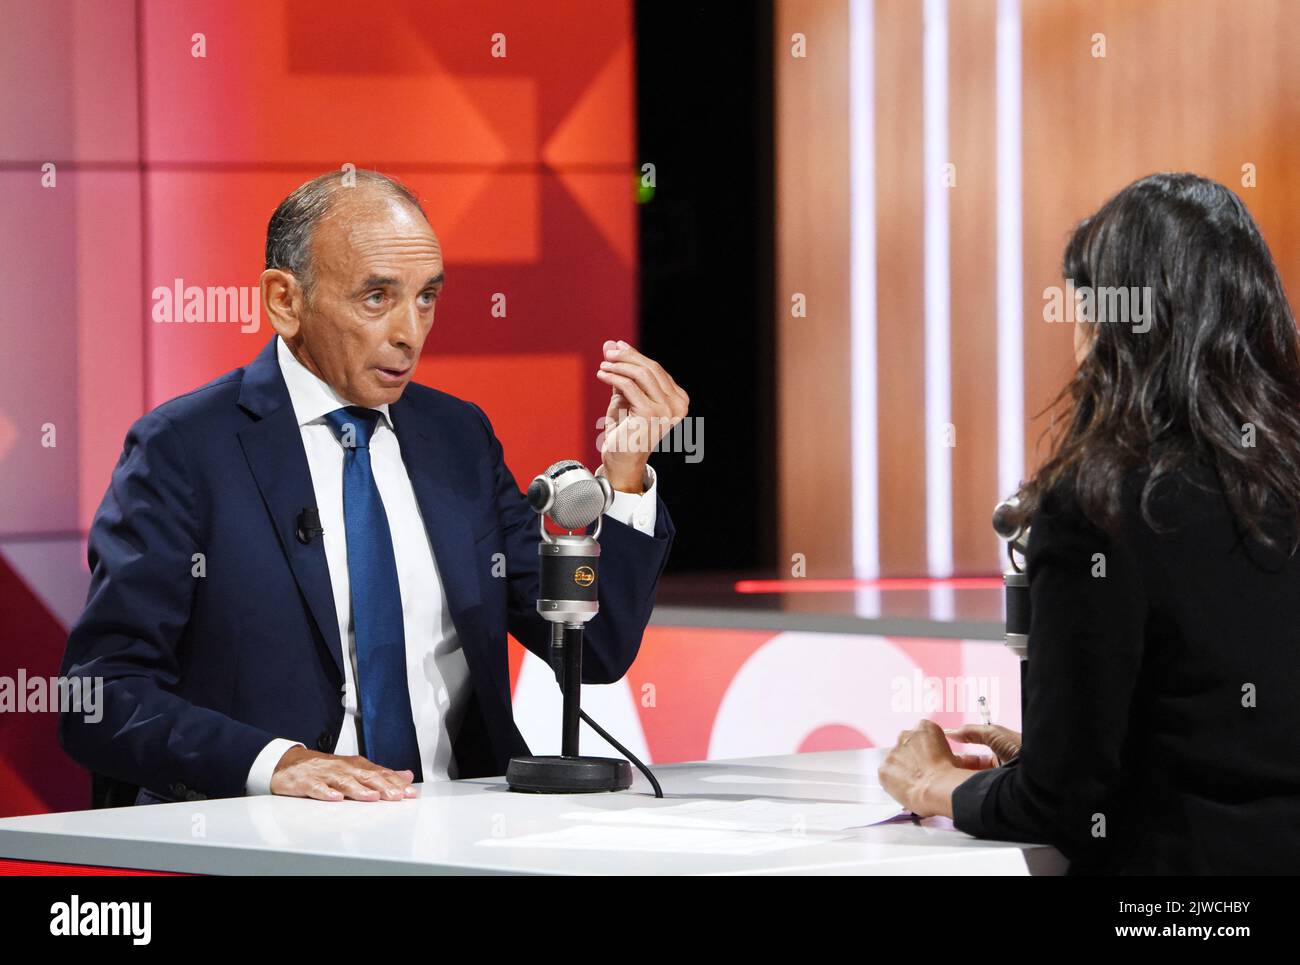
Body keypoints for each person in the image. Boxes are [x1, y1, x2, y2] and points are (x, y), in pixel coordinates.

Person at [60, 170, 687, 805]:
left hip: (461, 829)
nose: (410, 334)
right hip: (270, 834)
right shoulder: (186, 448)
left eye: (426, 298)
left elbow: (593, 648)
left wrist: (625, 475)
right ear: (285, 300)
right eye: (376, 298)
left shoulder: (458, 438)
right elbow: (104, 694)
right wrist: (277, 764)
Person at [879, 172, 1300, 874]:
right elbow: (1234, 735)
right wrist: (1048, 753)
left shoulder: (1099, 503)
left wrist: (937, 783)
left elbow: (1061, 803)